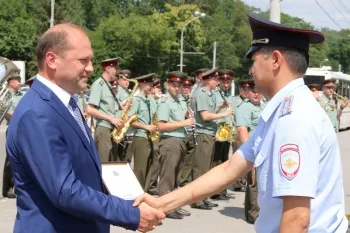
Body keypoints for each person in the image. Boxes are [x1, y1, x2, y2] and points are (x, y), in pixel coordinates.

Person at [134, 13, 348, 233]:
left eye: (254, 61)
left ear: (275, 60)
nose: (250, 70)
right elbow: (229, 168)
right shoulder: (280, 113)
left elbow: (297, 219)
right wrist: (161, 203)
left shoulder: (295, 118)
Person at [6, 23, 164, 233]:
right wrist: (130, 214)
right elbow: (65, 191)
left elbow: (84, 174)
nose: (90, 68)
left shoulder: (63, 103)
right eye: (83, 60)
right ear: (52, 60)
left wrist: (130, 199)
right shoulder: (38, 113)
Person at [189, 68, 233, 210]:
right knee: (201, 168)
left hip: (209, 132)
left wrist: (220, 107)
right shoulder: (202, 94)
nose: (217, 82)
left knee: (207, 169)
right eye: (215, 79)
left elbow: (210, 112)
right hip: (203, 133)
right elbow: (205, 116)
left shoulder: (209, 94)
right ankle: (197, 199)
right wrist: (224, 113)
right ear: (208, 80)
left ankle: (204, 197)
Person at [156, 71, 194, 219]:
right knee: (168, 176)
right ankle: (165, 208)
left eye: (179, 85)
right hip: (170, 141)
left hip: (180, 140)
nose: (177, 88)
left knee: (177, 176)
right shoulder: (165, 102)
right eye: (174, 85)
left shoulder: (180, 101)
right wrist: (184, 122)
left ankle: (174, 205)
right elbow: (161, 126)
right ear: (167, 84)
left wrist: (186, 118)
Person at [235, 79, 265, 223]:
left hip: (263, 150)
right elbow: (242, 130)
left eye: (259, 91)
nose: (257, 94)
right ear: (248, 92)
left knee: (259, 182)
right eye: (254, 91)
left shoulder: (262, 106)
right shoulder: (244, 108)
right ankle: (254, 214)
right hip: (254, 150)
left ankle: (252, 212)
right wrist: (251, 155)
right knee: (254, 183)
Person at [86, 58, 124, 162]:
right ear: (108, 68)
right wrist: (111, 118)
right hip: (103, 128)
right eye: (115, 68)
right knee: (104, 163)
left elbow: (107, 108)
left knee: (112, 163)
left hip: (112, 129)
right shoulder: (99, 84)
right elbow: (90, 109)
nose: (117, 72)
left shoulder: (108, 86)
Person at [127, 73, 158, 192]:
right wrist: (146, 126)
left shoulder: (150, 100)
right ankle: (136, 193)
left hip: (150, 137)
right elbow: (130, 120)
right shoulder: (137, 100)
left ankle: (144, 192)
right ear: (141, 84)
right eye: (148, 84)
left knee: (151, 166)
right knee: (140, 169)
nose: (150, 86)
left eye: (151, 84)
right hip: (140, 137)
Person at [210, 69, 235, 201]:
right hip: (218, 129)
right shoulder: (214, 94)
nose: (226, 84)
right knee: (217, 162)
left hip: (227, 130)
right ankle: (214, 191)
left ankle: (221, 190)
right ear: (219, 82)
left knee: (225, 161)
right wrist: (220, 106)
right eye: (224, 81)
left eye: (228, 81)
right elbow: (210, 112)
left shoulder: (229, 95)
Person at [1, 58, 22, 199]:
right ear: (11, 82)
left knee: (19, 159)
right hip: (11, 128)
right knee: (9, 160)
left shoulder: (20, 95)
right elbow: (6, 114)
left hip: (21, 129)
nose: (20, 83)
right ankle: (6, 188)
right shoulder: (5, 96)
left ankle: (16, 186)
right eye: (18, 80)